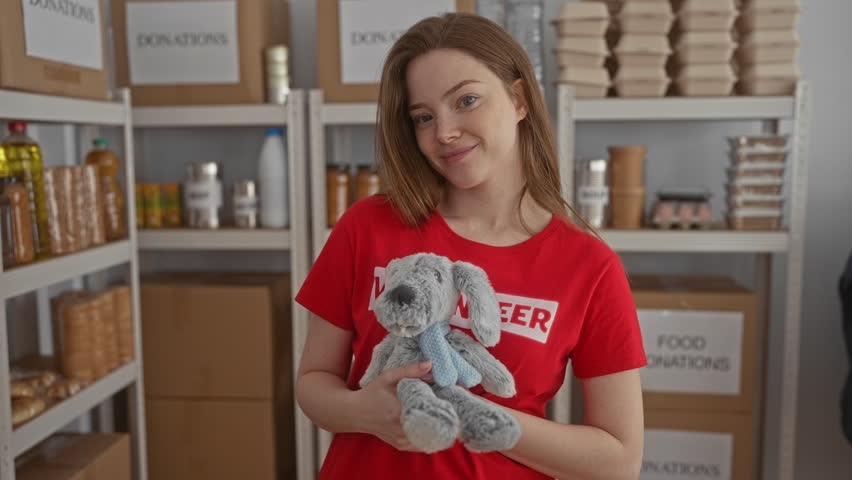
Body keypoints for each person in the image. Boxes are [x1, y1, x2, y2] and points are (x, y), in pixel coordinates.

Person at [295, 13, 647, 480]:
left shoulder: (589, 266)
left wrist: (479, 419)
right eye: (424, 117)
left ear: (518, 99)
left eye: (466, 100)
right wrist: (366, 412)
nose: (444, 132)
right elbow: (312, 383)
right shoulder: (368, 226)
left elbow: (619, 459)